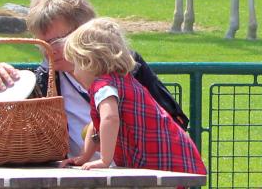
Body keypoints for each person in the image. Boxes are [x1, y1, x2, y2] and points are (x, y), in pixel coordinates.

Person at [0, 0, 188, 158]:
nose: (50, 51)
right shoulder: (45, 80)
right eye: (42, 44)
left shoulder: (125, 64)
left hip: (139, 172)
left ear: (86, 31)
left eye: (59, 40)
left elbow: (174, 118)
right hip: (78, 176)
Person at [60, 17, 206, 175]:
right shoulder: (121, 80)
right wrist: (84, 157)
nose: (73, 72)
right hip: (171, 155)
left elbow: (110, 119)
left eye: (75, 64)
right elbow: (96, 126)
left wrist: (105, 160)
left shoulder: (104, 86)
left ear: (88, 61)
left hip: (162, 161)